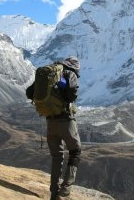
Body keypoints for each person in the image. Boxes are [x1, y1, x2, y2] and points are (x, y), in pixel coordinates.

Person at [28, 56, 81, 199]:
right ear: (75, 67)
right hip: (65, 119)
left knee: (57, 156)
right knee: (75, 151)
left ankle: (54, 192)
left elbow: (29, 92)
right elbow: (72, 94)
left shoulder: (50, 73)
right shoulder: (70, 74)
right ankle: (64, 193)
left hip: (50, 121)